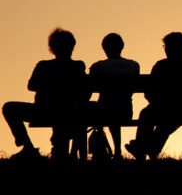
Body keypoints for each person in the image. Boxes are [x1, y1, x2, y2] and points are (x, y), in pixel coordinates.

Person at [3, 28, 90, 160]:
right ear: (72, 46)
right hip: (69, 111)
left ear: (52, 47)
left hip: (42, 111)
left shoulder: (43, 66)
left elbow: (31, 85)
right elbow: (84, 90)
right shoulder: (78, 66)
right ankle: (56, 150)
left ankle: (28, 147)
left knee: (9, 108)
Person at [125, 32, 182, 160]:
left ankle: (143, 149)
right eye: (165, 46)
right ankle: (147, 149)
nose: (166, 49)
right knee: (147, 114)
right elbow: (149, 89)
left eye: (169, 46)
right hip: (165, 106)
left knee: (162, 118)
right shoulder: (161, 65)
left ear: (180, 47)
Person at [88, 33, 140, 159]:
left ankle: (91, 150)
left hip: (104, 111)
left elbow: (88, 91)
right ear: (122, 46)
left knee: (94, 108)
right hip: (126, 111)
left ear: (104, 48)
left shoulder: (97, 67)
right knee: (114, 107)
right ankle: (117, 151)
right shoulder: (133, 65)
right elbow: (133, 89)